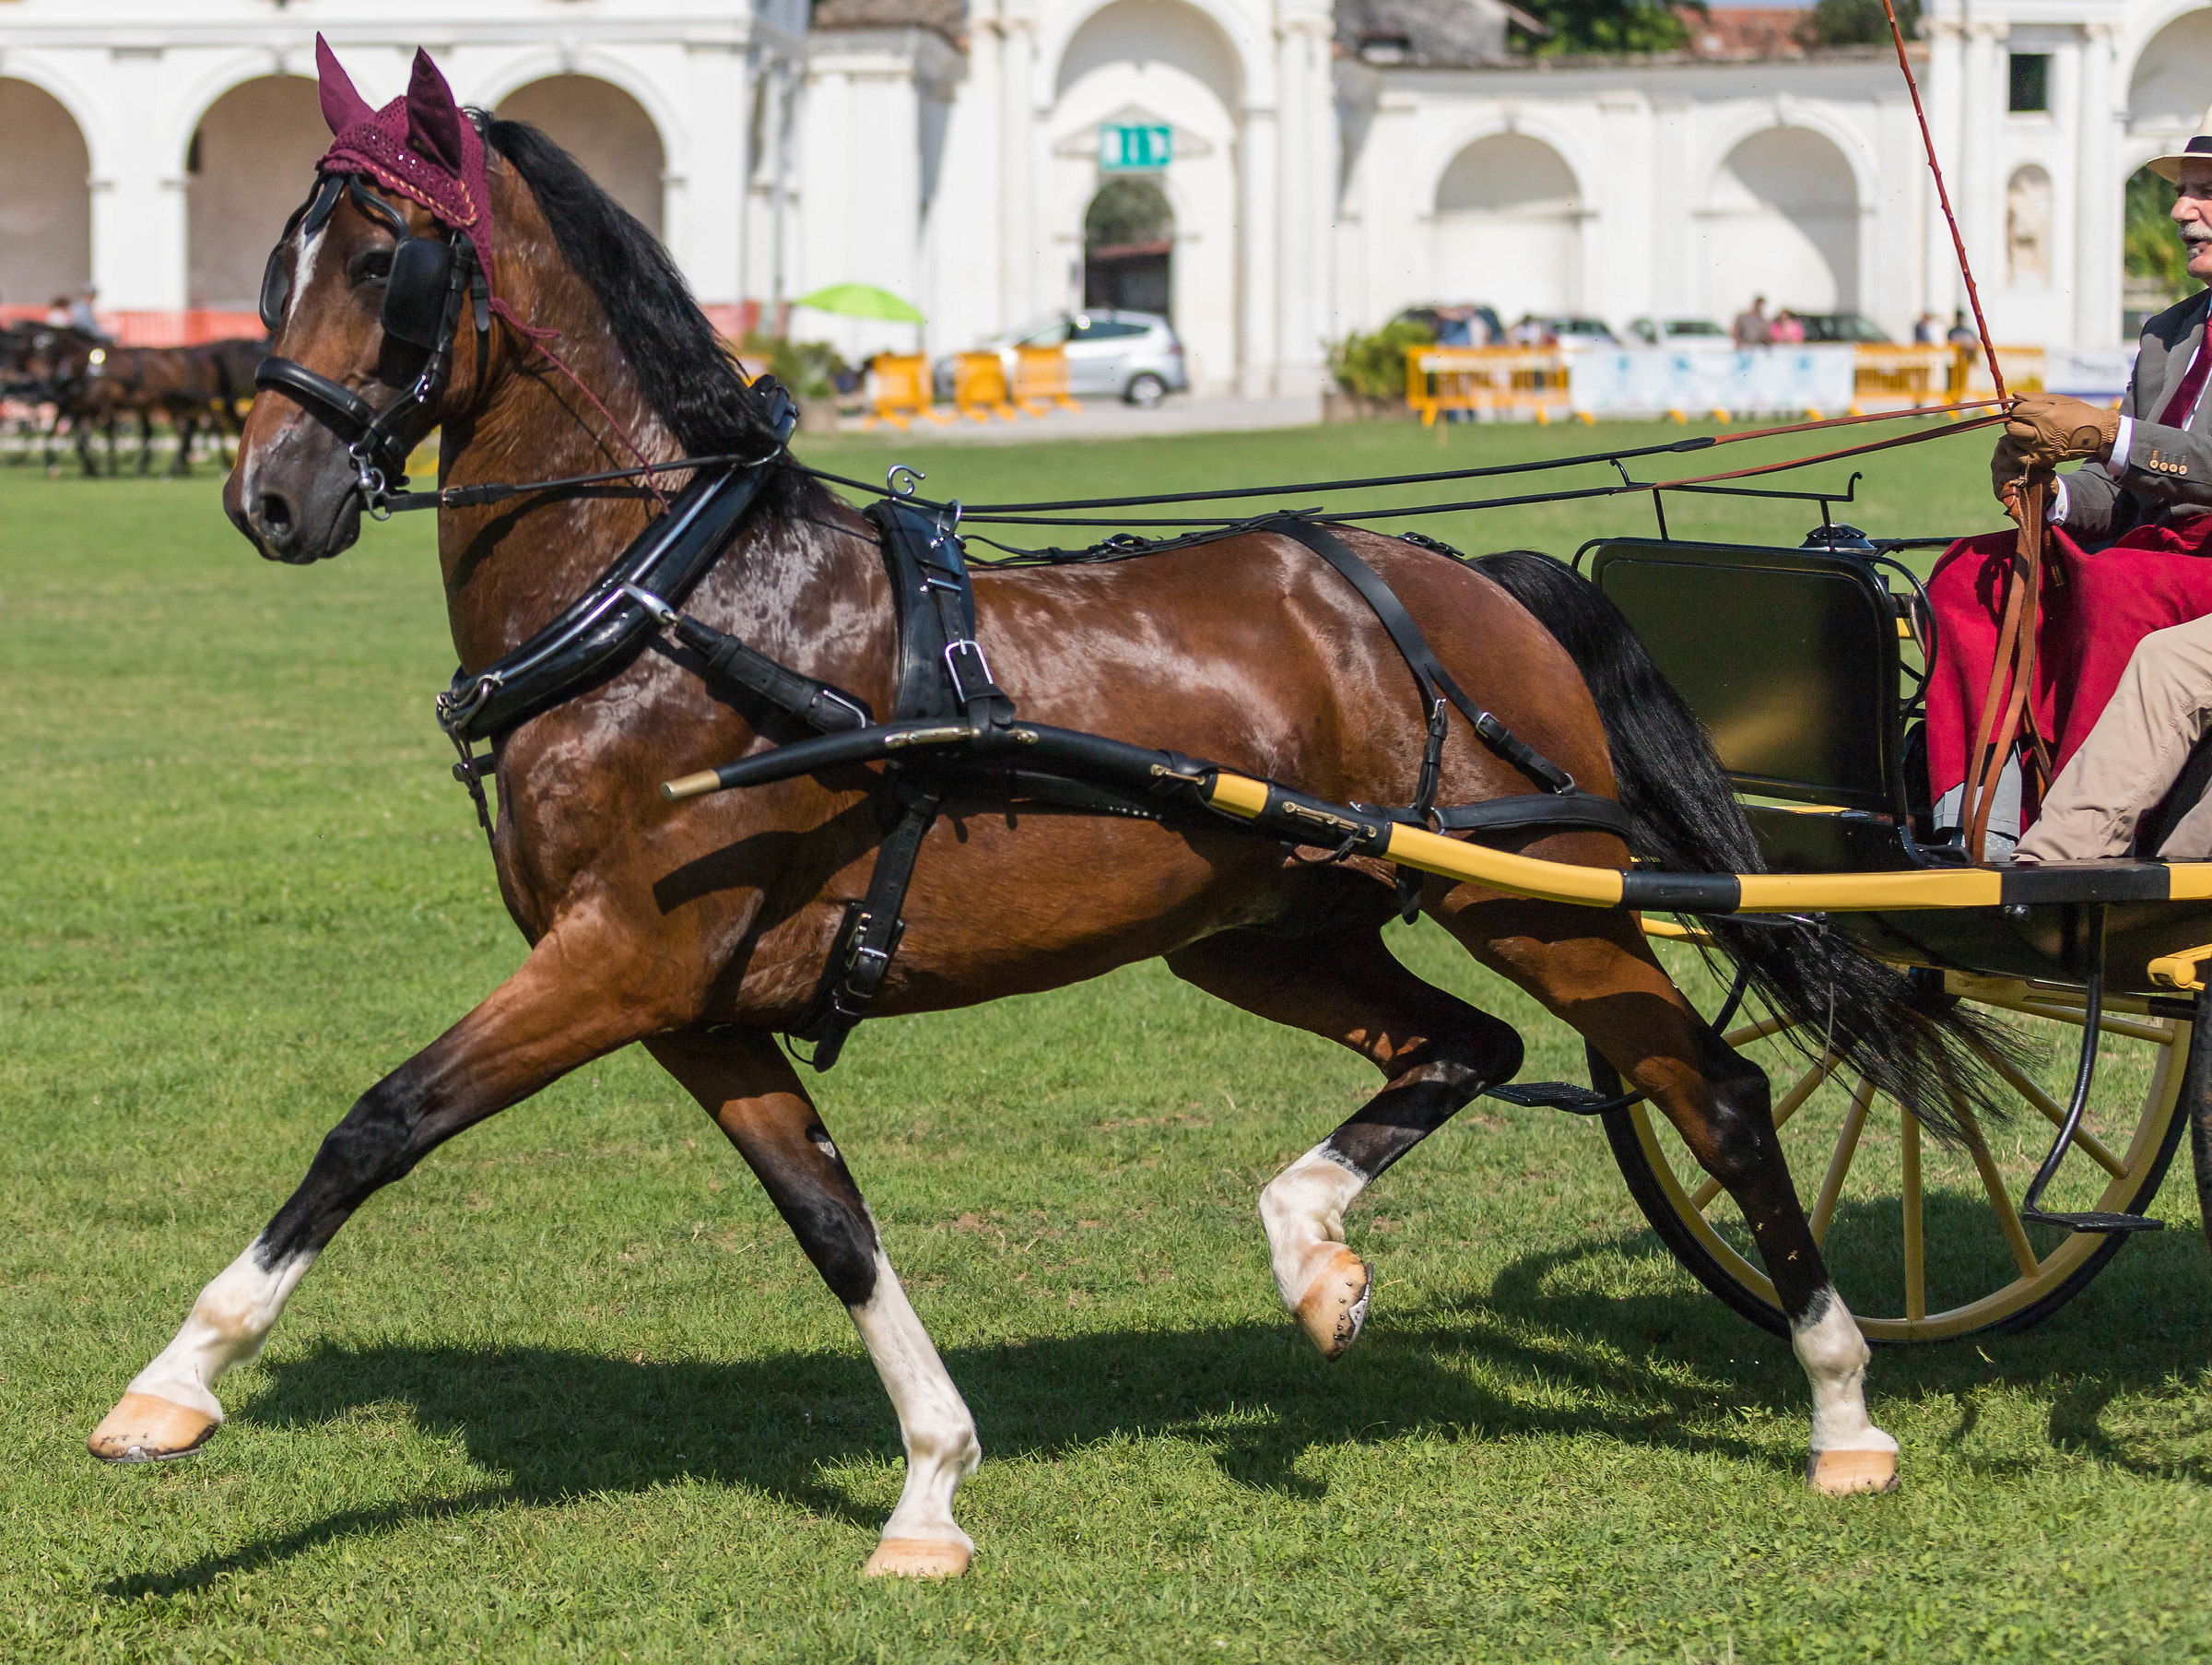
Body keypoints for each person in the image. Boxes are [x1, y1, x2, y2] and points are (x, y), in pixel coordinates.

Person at [1988, 112, 2212, 861]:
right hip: (2161, 550)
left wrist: (2110, 435)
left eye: (2205, 192)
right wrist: (2045, 493)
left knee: (2118, 585)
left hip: (2188, 568)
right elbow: (2119, 488)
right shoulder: (2167, 333)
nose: (2182, 211)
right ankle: (1971, 819)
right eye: (2184, 192)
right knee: (1974, 574)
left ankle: (2081, 844)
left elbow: (2138, 451)